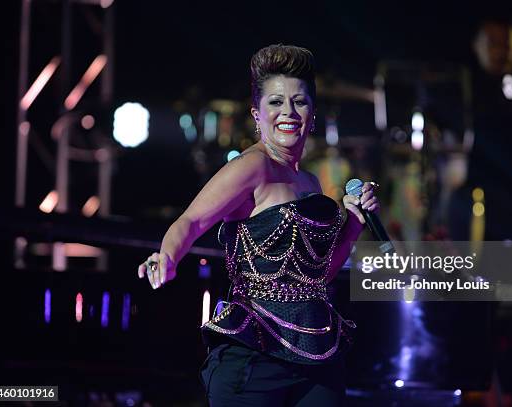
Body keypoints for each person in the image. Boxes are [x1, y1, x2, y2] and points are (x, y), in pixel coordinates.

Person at [137, 44, 379, 406]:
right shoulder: (253, 167)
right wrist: (167, 257)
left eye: (299, 102)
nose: (288, 112)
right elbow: (191, 220)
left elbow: (319, 275)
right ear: (256, 114)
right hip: (257, 353)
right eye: (276, 102)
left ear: (312, 114)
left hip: (318, 352)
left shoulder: (310, 182)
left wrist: (355, 224)